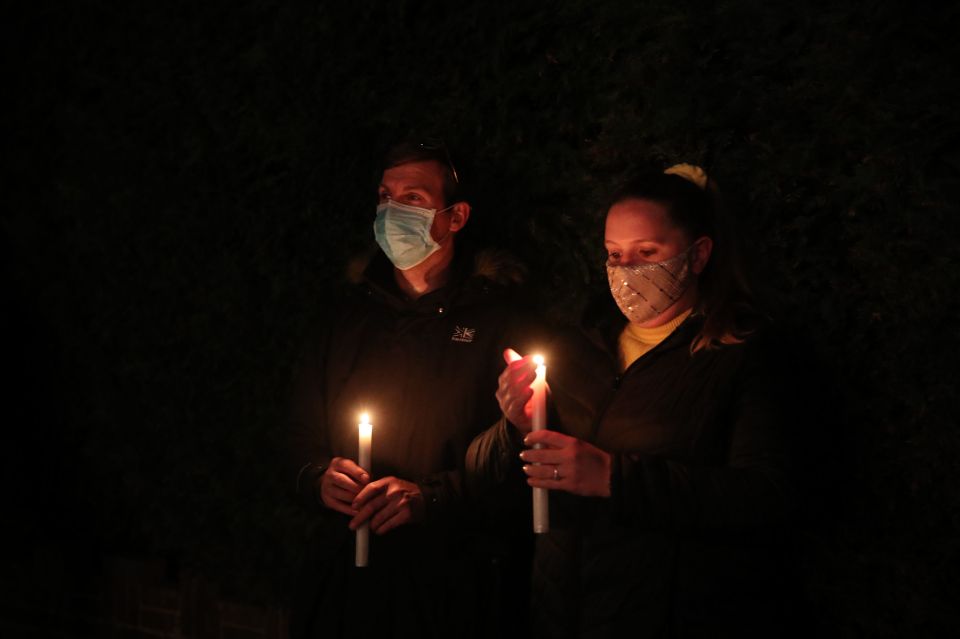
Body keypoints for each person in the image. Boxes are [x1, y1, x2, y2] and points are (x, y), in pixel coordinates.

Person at [467, 163, 804, 638]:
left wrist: (614, 478)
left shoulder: (741, 354)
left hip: (669, 613)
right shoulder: (578, 348)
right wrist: (515, 427)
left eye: (647, 252)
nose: (627, 271)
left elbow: (768, 497)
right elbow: (485, 483)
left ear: (699, 254)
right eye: (614, 254)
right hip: (562, 611)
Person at [287, 139, 536, 639]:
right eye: (385, 197)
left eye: (413, 199)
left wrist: (432, 498)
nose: (392, 211)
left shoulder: (498, 324)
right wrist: (318, 478)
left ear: (456, 216)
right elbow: (298, 431)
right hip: (345, 586)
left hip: (449, 590)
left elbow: (515, 458)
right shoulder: (346, 318)